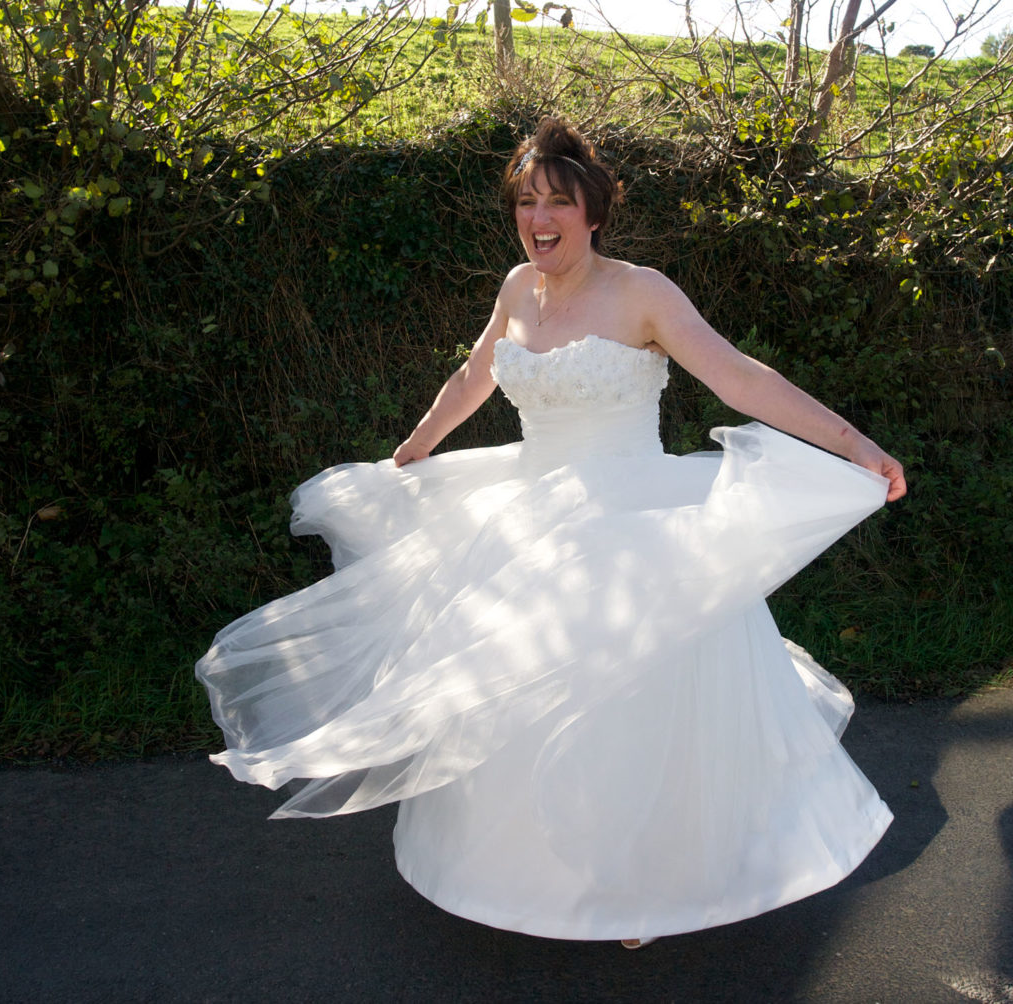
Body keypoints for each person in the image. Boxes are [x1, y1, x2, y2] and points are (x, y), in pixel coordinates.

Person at [196, 116, 906, 950]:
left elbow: (738, 376)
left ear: (593, 212)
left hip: (632, 522)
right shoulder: (514, 289)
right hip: (529, 517)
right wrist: (419, 444)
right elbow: (475, 373)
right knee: (514, 692)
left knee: (629, 706)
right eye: (526, 201)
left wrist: (854, 444)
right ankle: (536, 878)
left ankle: (640, 888)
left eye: (557, 202)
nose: (539, 216)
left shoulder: (642, 291)